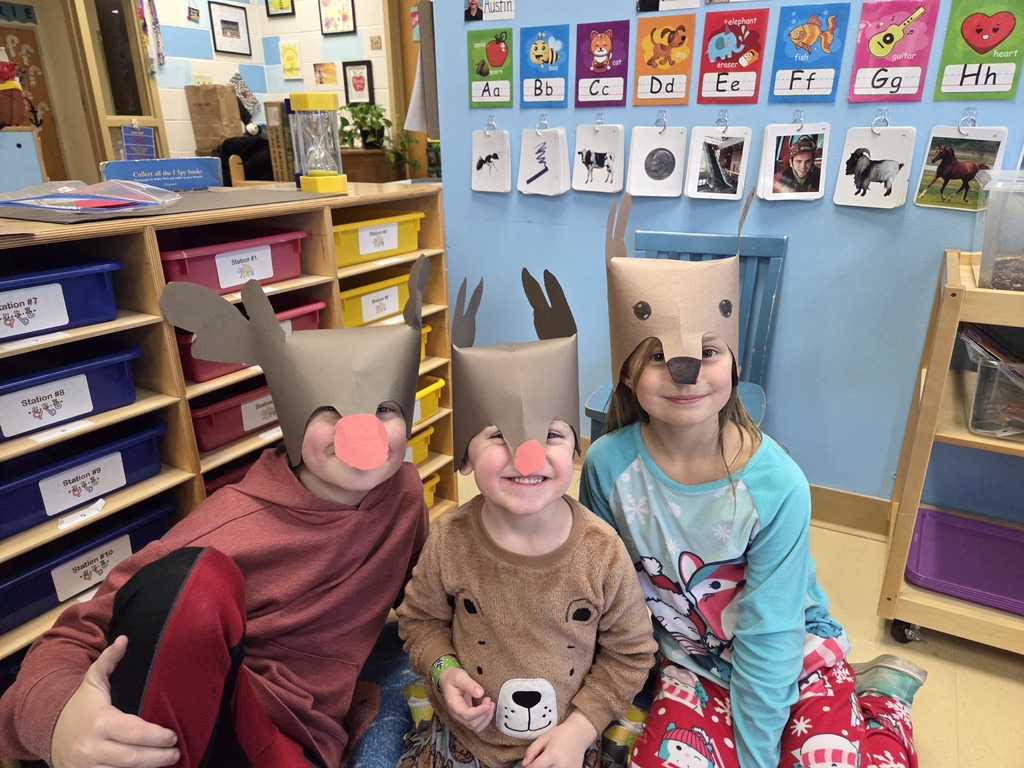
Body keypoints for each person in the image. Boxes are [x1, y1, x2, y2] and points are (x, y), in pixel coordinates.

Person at [0, 262, 432, 768]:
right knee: (193, 581)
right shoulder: (230, 525)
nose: (363, 431)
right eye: (328, 412)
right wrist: (57, 726)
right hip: (208, 716)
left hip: (304, 736)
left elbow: (425, 592)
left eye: (384, 408)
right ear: (291, 416)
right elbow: (76, 636)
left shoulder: (403, 492)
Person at [577, 195, 927, 768]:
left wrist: (755, 754)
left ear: (733, 364)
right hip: (689, 664)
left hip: (790, 650)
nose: (685, 373)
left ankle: (884, 707)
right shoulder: (608, 467)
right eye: (659, 356)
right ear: (628, 373)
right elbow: (603, 585)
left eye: (707, 352)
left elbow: (771, 631)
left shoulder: (777, 485)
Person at [397, 270, 657, 768]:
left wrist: (579, 730)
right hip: (463, 741)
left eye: (552, 435)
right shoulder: (450, 537)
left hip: (563, 747)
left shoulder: (600, 551)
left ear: (576, 450)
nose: (528, 455)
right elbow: (419, 621)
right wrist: (445, 671)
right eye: (498, 435)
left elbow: (632, 652)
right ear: (465, 456)